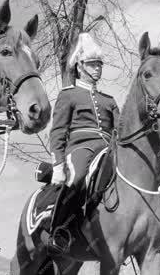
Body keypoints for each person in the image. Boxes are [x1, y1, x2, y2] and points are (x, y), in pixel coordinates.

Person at [47, 32, 119, 255]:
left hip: (109, 148)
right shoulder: (68, 95)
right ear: (80, 66)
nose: (97, 68)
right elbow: (58, 131)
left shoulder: (109, 100)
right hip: (81, 147)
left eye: (99, 64)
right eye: (92, 64)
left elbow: (121, 129)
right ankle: (59, 230)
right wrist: (58, 164)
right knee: (77, 178)